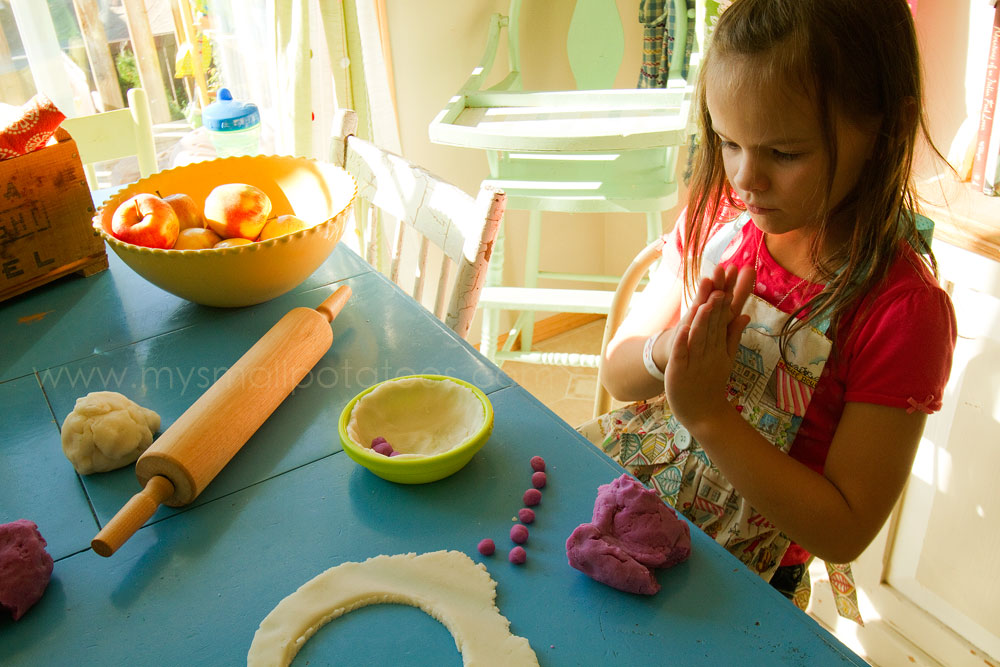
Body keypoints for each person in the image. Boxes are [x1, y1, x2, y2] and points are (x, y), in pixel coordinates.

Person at [579, 0, 957, 617]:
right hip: (632, 507)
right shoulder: (719, 221)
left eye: (784, 153)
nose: (745, 178)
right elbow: (618, 373)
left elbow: (844, 530)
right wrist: (669, 351)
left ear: (886, 129)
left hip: (742, 584)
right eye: (729, 142)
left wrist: (709, 416)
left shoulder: (902, 313)